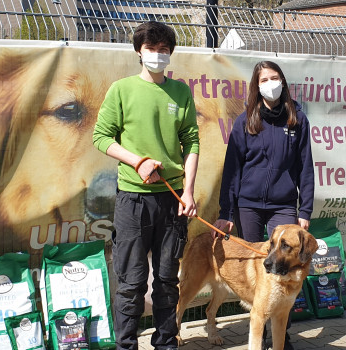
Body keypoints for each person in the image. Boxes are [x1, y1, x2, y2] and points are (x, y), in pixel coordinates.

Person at [92, 21, 199, 350]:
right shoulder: (121, 89)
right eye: (152, 49)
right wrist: (137, 161)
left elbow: (192, 143)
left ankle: (166, 343)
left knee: (167, 281)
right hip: (133, 202)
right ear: (139, 51)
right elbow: (101, 137)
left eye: (164, 50)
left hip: (172, 201)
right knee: (131, 283)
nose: (158, 55)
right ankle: (125, 345)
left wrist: (189, 192)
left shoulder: (180, 92)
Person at [212, 60, 314, 350]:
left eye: (274, 77)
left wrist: (304, 211)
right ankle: (258, 331)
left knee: (286, 269)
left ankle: (280, 336)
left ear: (282, 80)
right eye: (264, 80)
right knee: (262, 271)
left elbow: (306, 168)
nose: (270, 84)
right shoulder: (246, 121)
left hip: (283, 205)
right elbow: (232, 169)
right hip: (249, 205)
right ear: (256, 88)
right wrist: (226, 212)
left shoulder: (298, 120)